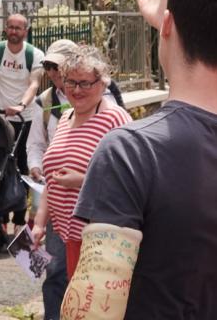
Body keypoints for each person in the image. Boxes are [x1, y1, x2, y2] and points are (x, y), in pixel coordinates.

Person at [62, 0, 217, 320]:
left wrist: (171, 20)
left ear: (166, 26)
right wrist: (177, 23)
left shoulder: (130, 150)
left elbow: (94, 305)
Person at [28, 45, 130, 295]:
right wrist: (40, 223)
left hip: (98, 240)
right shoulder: (65, 118)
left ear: (102, 83)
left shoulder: (115, 118)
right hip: (67, 236)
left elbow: (129, 182)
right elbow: (53, 180)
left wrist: (82, 182)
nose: (76, 90)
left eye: (85, 83)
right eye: (70, 82)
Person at [0, 13, 46, 124]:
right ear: (6, 29)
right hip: (0, 116)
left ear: (25, 31)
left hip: (26, 117)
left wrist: (21, 106)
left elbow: (34, 84)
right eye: (11, 27)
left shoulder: (36, 54)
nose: (13, 31)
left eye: (18, 28)